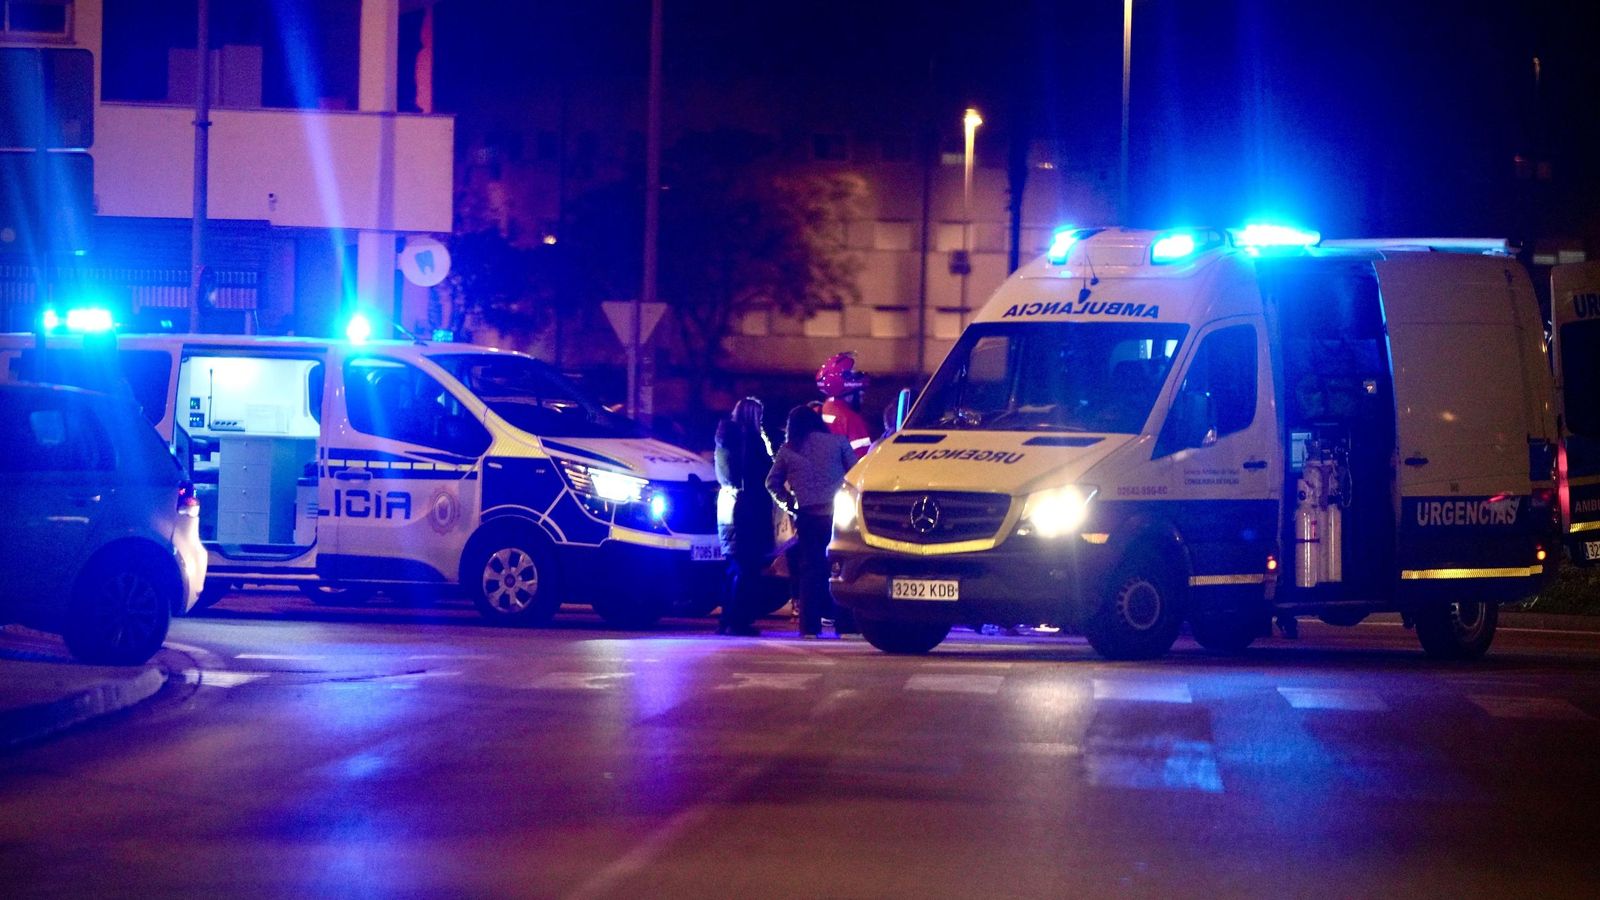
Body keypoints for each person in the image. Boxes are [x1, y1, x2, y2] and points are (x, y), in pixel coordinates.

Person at [766, 403, 856, 638]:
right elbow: (856, 474)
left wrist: (789, 503)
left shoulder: (788, 449)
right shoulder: (838, 442)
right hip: (837, 516)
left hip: (807, 516)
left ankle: (809, 627)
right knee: (840, 569)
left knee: (810, 571)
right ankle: (845, 625)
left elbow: (771, 482)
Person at [713, 397, 775, 637]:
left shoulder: (724, 439)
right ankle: (738, 621)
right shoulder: (751, 440)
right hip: (748, 508)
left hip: (727, 505)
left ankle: (726, 619)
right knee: (747, 567)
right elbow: (764, 475)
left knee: (734, 565)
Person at [816, 351, 873, 460]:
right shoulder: (851, 419)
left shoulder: (820, 409)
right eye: (860, 392)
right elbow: (863, 460)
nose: (862, 396)